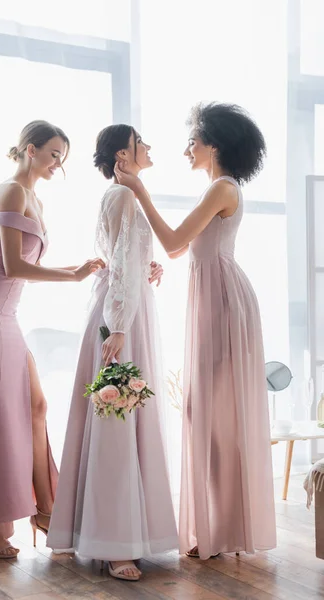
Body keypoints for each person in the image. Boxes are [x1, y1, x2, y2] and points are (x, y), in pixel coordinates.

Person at [115, 103, 277, 560]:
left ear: (215, 145)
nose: (187, 148)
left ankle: (222, 529)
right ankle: (219, 527)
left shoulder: (223, 188)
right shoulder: (217, 189)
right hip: (215, 297)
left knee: (211, 413)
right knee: (204, 411)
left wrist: (140, 189)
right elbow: (176, 249)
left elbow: (172, 242)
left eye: (193, 141)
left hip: (223, 301)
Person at [0, 120, 104, 560]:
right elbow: (11, 265)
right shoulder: (11, 190)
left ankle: (41, 511)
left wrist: (76, 271)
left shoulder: (33, 198)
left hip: (5, 312)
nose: (57, 164)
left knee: (36, 406)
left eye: (61, 158)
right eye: (53, 154)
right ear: (30, 150)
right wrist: (72, 275)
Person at [46, 124, 178, 581]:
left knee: (122, 421)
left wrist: (148, 267)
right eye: (143, 142)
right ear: (125, 153)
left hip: (124, 312)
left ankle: (110, 533)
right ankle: (113, 544)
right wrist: (117, 327)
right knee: (115, 424)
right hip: (118, 320)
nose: (150, 147)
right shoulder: (122, 196)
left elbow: (127, 257)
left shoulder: (122, 195)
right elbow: (120, 262)